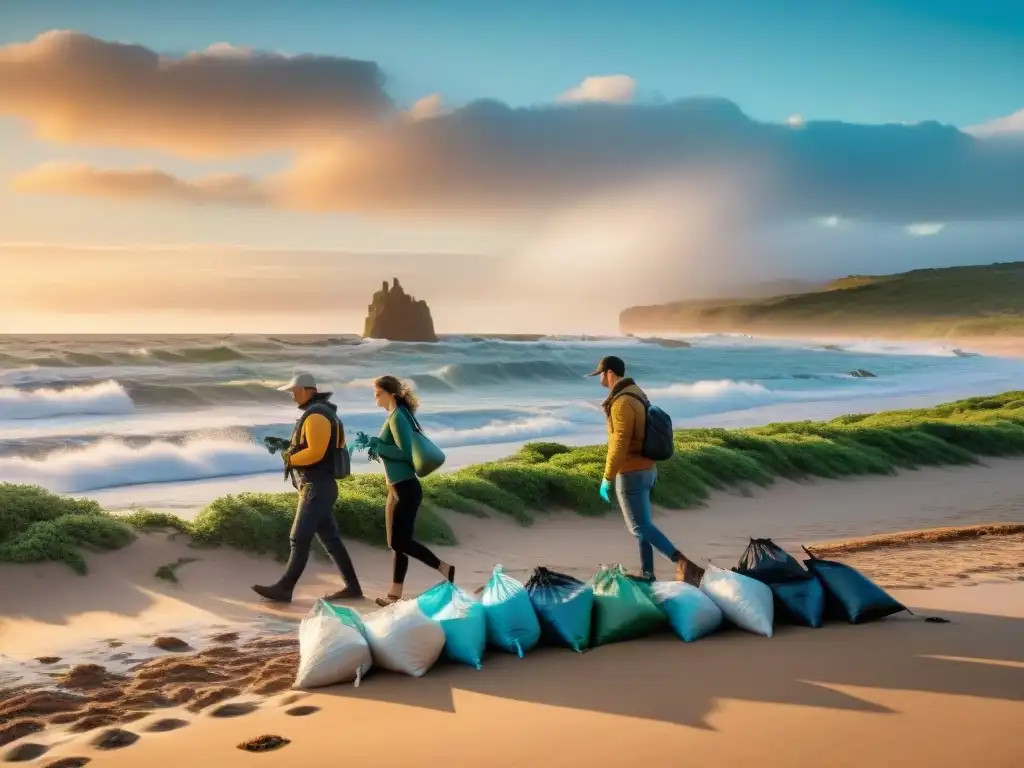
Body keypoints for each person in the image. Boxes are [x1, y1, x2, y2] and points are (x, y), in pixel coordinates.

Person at [587, 355, 704, 586]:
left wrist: (607, 477)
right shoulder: (637, 392)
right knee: (644, 526)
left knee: (639, 527)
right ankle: (648, 574)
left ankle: (682, 562)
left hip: (631, 472)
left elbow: (619, 444)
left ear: (609, 373)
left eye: (600, 373)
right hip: (648, 470)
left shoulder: (621, 402)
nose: (599, 378)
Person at [252, 372, 363, 603]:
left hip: (317, 487)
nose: (293, 397)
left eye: (294, 392)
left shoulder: (316, 416)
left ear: (307, 390)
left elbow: (316, 452)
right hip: (320, 486)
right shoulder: (323, 413)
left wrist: (290, 459)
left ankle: (285, 588)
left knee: (298, 539)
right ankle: (353, 588)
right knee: (331, 540)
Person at [353, 375, 455, 607]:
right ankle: (394, 595)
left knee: (401, 542)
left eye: (378, 394)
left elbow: (404, 453)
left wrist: (378, 445)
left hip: (406, 488)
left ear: (391, 394)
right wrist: (375, 445)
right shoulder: (397, 415)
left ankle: (444, 568)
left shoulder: (398, 417)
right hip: (396, 488)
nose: (375, 398)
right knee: (395, 543)